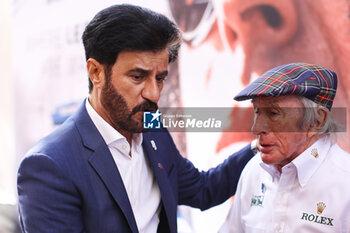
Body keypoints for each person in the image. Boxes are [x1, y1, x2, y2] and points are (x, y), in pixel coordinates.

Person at [17, 4, 255, 233]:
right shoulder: (49, 165)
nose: (153, 93)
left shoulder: (152, 128)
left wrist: (261, 144)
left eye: (160, 78)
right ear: (96, 73)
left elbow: (203, 189)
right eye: (138, 77)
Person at [219, 63, 350, 233]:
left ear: (316, 121)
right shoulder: (254, 170)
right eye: (257, 111)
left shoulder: (345, 182)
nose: (256, 128)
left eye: (273, 113)